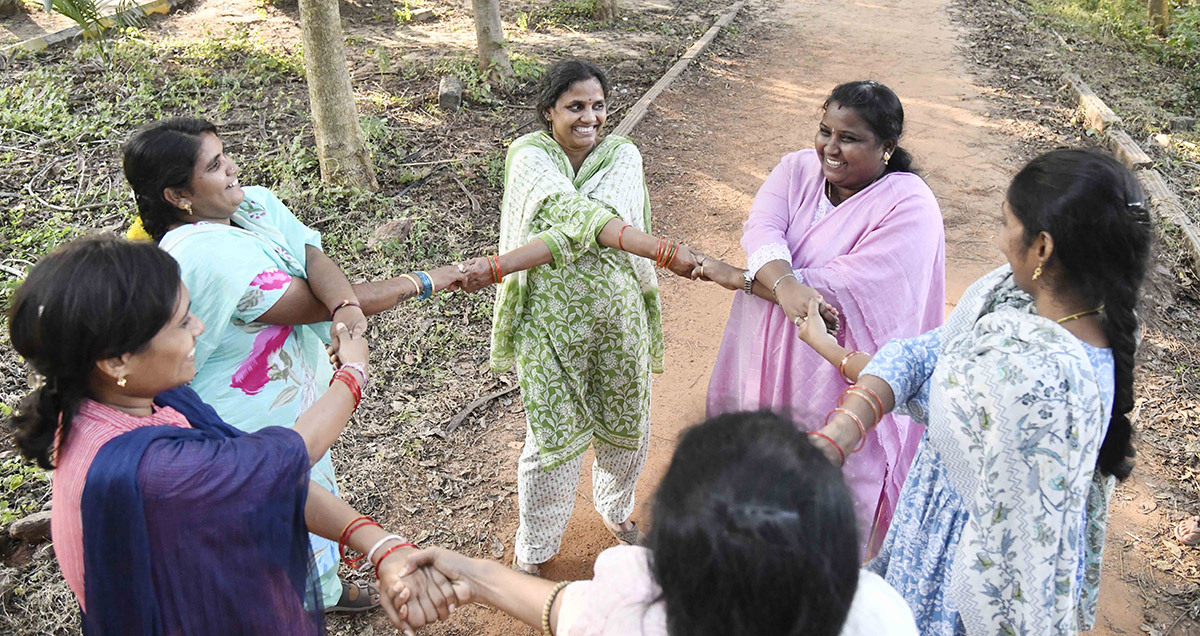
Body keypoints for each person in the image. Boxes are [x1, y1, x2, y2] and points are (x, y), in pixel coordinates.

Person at [6, 236, 455, 635]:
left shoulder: (119, 403)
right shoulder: (156, 469)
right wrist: (353, 372)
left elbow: (262, 473)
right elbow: (289, 457)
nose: (200, 328)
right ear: (116, 361)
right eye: (182, 323)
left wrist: (380, 545)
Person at [795, 149, 1152, 634]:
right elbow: (924, 357)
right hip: (936, 529)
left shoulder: (1044, 381)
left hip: (968, 567)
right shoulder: (1015, 299)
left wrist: (830, 355)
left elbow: (934, 385)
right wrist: (840, 433)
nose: (1000, 240)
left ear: (1043, 247)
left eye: (1007, 224)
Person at [122, 117, 464, 610]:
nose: (232, 168)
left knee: (304, 494)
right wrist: (425, 280)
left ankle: (323, 592)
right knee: (272, 512)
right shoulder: (202, 254)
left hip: (292, 406)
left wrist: (344, 305)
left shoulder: (251, 204)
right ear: (178, 196)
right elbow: (307, 303)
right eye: (215, 166)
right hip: (242, 421)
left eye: (225, 154)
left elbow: (312, 257)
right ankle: (290, 607)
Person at [454, 59, 709, 574]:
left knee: (626, 429)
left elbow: (592, 221)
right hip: (546, 326)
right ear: (549, 111)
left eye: (598, 106)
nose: (588, 117)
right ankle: (535, 551)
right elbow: (575, 219)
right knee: (550, 443)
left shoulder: (623, 155)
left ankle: (615, 512)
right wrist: (665, 250)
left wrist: (498, 266)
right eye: (575, 106)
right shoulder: (528, 155)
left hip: (618, 321)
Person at [385, 411, 919, 636]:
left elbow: (572, 612)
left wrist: (469, 574)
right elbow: (570, 611)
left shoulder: (633, 614)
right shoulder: (882, 614)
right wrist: (473, 575)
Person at [702, 80, 945, 555]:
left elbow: (853, 285)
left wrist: (746, 279)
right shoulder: (797, 170)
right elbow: (762, 229)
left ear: (887, 148)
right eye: (825, 131)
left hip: (841, 369)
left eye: (849, 138)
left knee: (833, 486)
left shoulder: (910, 204)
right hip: (769, 344)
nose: (830, 148)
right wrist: (787, 286)